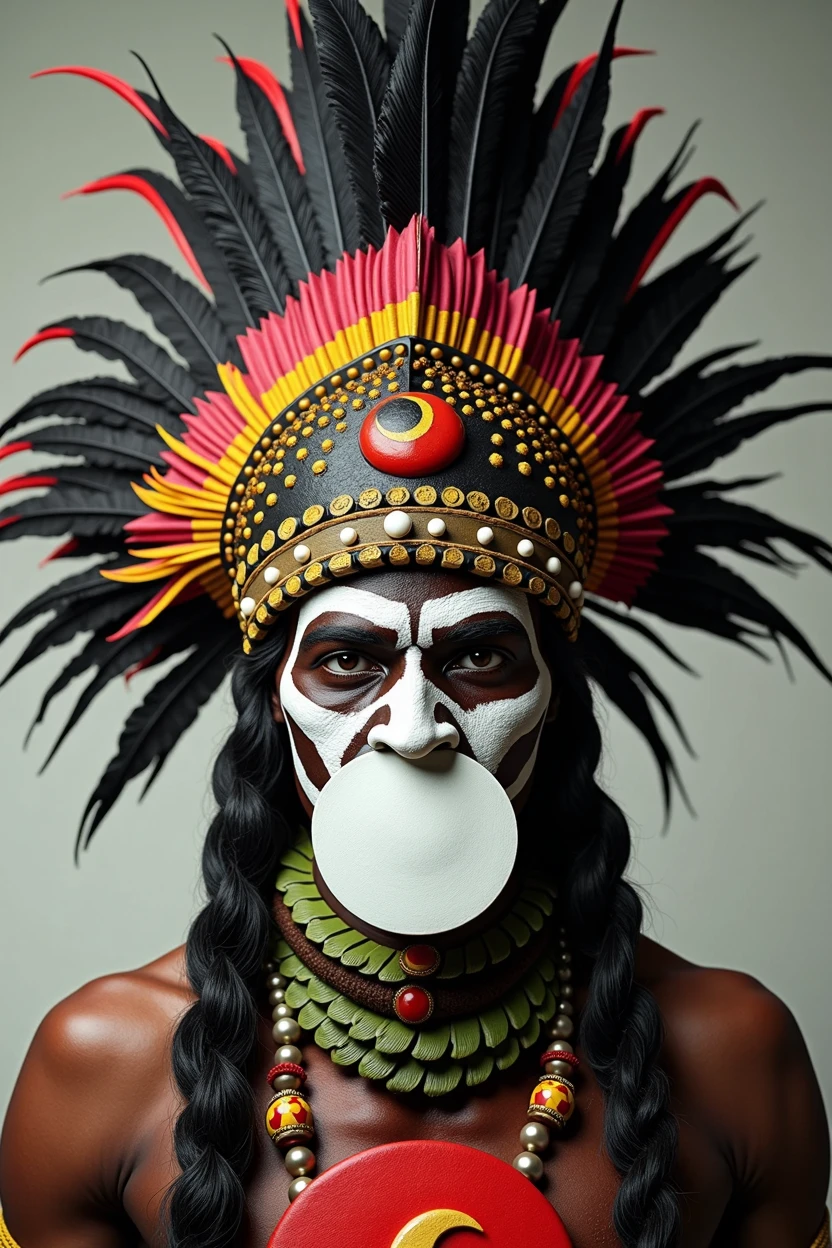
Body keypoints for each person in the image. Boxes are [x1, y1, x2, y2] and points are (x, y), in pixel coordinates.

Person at [0, 1, 829, 1246]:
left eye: (479, 656)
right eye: (346, 662)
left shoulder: (732, 1055)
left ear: (560, 687)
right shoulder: (102, 1064)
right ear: (268, 698)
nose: (417, 725)